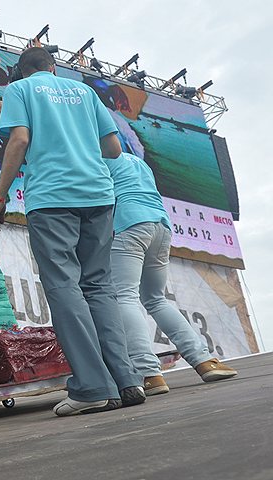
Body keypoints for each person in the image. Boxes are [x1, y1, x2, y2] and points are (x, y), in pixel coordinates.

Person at [0, 47, 145, 416]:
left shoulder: (20, 90)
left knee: (63, 287)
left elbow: (20, 140)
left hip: (52, 199)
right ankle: (127, 379)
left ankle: (93, 387)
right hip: (99, 196)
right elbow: (114, 149)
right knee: (99, 287)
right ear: (53, 68)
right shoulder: (85, 92)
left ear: (22, 72)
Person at [106, 153, 238, 394]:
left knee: (125, 296)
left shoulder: (97, 156)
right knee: (155, 299)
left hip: (128, 223)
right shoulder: (136, 161)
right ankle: (205, 360)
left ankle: (148, 373)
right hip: (160, 226)